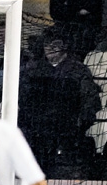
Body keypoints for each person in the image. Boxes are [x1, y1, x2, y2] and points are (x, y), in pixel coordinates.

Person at [18, 29, 101, 166]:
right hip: (37, 125)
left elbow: (90, 99)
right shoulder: (34, 70)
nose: (50, 48)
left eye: (55, 44)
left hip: (67, 124)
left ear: (64, 46)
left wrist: (82, 121)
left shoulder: (78, 70)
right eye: (47, 45)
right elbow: (24, 98)